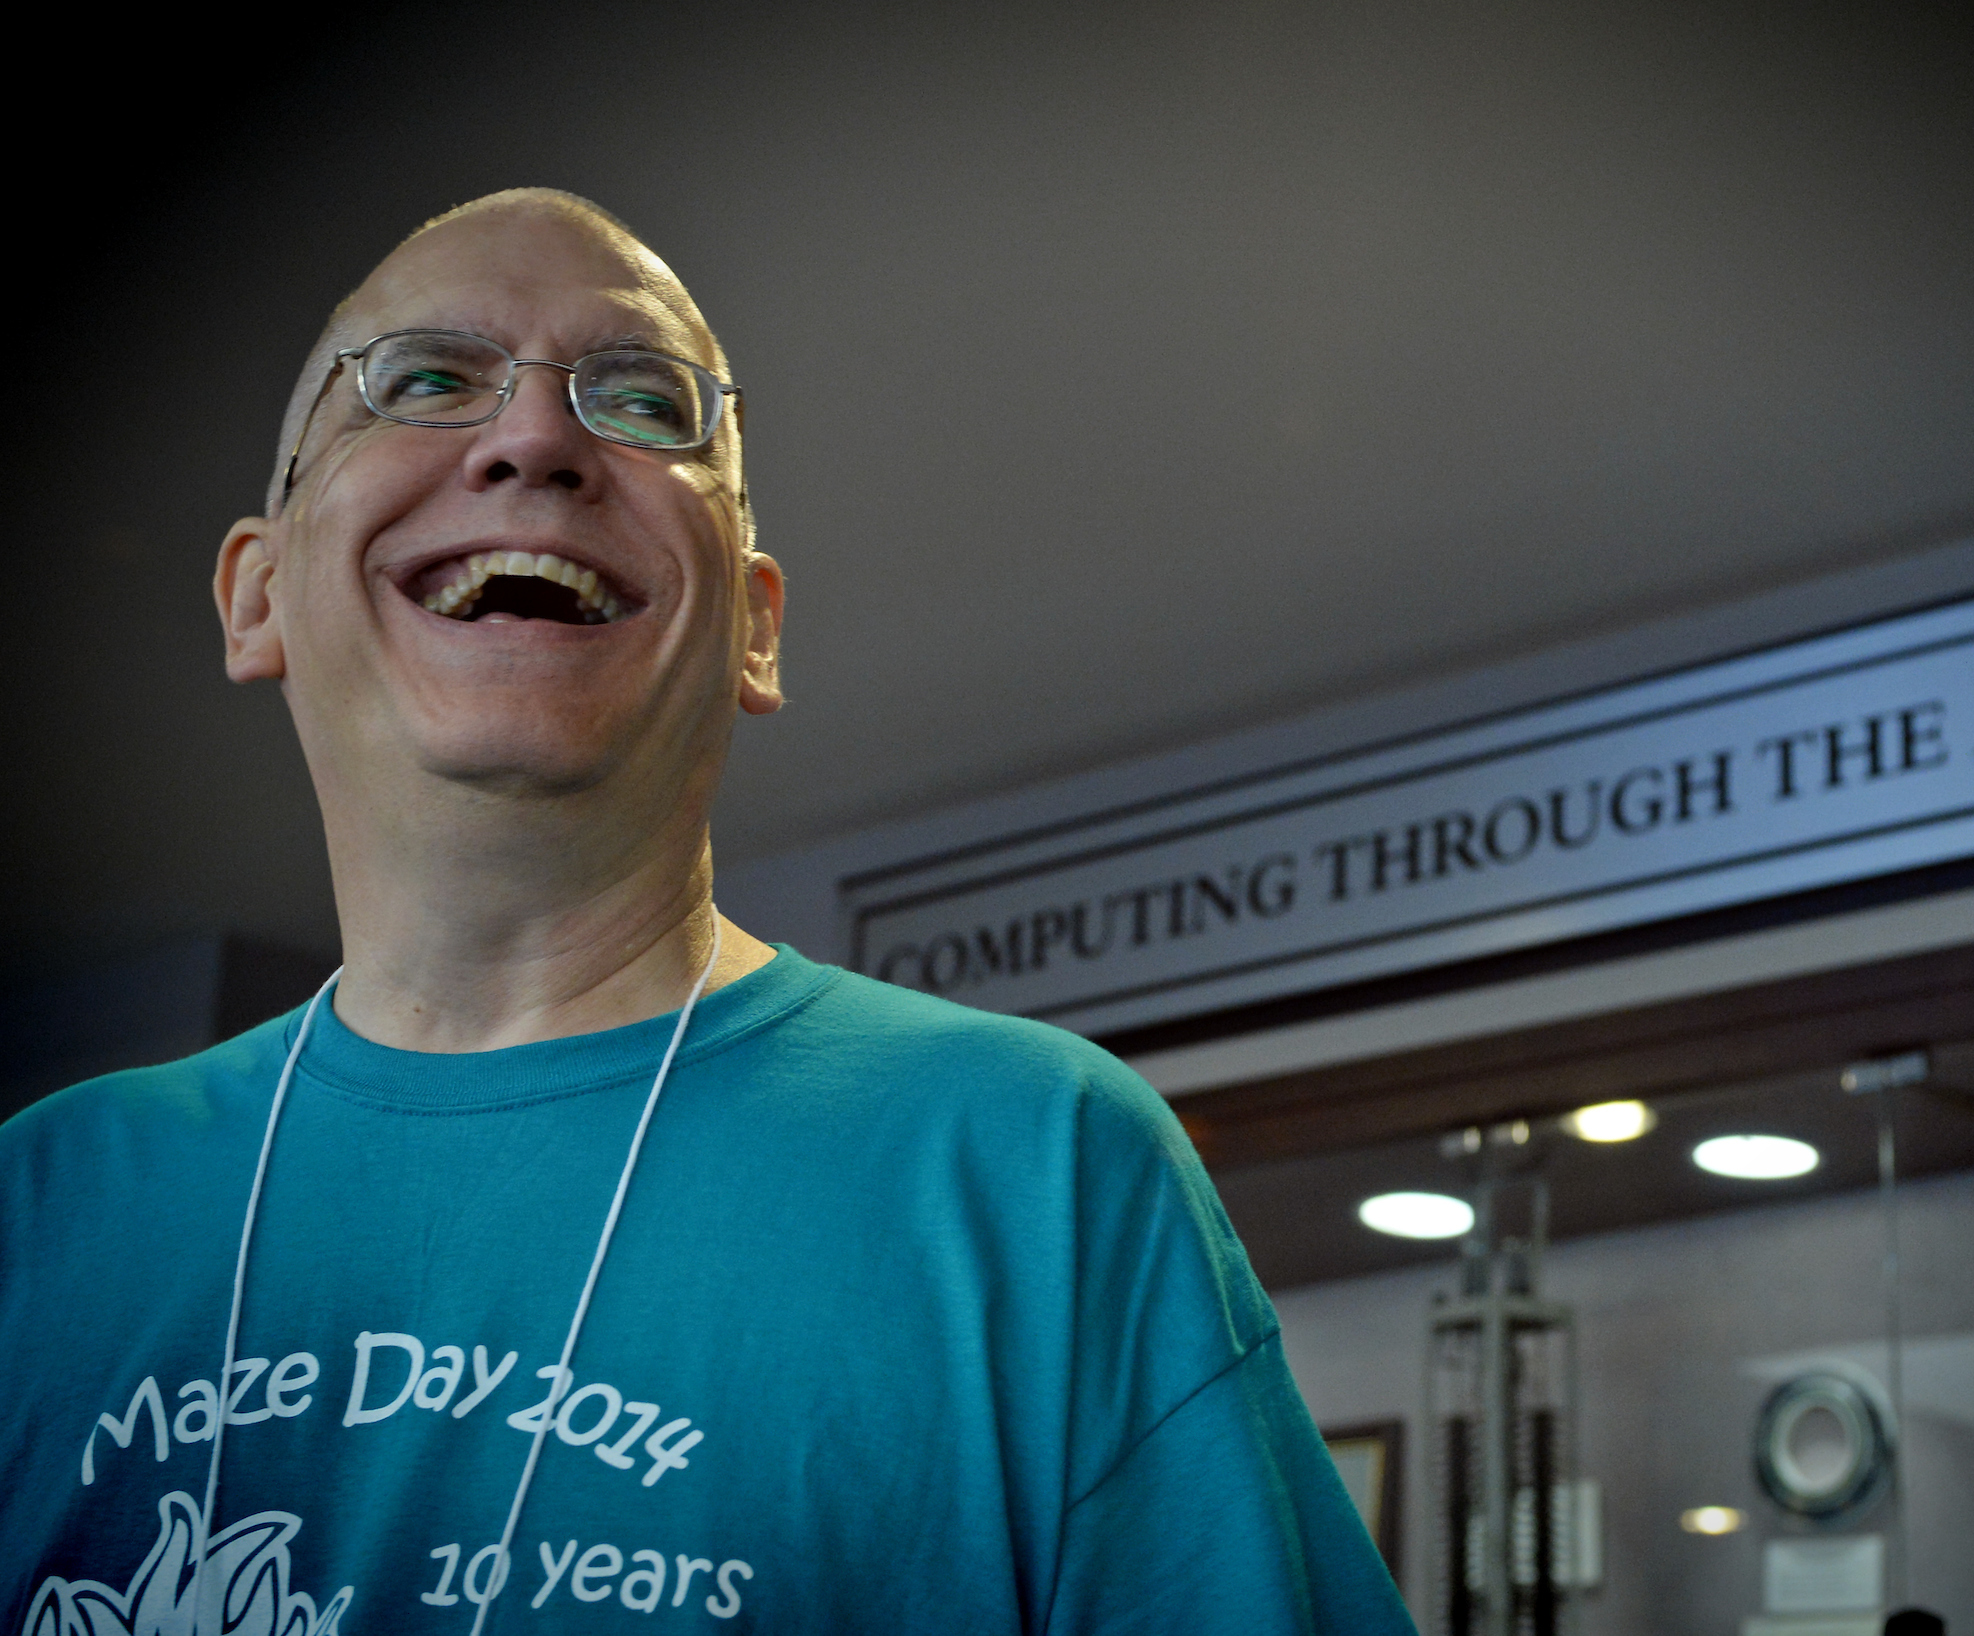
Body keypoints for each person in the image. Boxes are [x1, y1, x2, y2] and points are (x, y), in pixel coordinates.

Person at [0, 189, 1412, 1635]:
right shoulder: (37, 1210)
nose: (536, 440)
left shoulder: (1031, 1169)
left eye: (641, 399)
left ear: (752, 622)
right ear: (257, 600)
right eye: (424, 381)